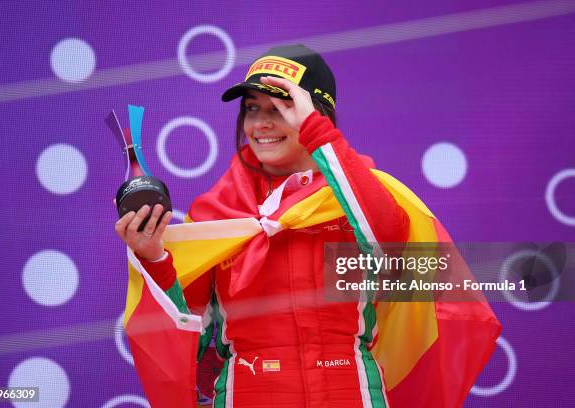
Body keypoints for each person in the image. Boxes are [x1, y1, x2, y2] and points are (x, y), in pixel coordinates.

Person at [115, 45, 498, 407]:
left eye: (281, 108)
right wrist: (155, 259)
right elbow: (188, 340)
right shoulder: (218, 214)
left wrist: (318, 135)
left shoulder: (360, 198)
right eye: (252, 108)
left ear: (315, 114)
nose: (262, 124)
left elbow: (390, 249)